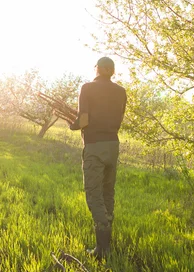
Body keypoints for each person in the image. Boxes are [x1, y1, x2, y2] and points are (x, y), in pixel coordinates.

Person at [68, 56, 127, 260]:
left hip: (94, 146)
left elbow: (83, 119)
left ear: (98, 69)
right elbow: (119, 117)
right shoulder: (121, 91)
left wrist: (73, 125)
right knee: (107, 191)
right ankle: (106, 240)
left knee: (94, 195)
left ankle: (102, 249)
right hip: (113, 145)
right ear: (111, 71)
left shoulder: (87, 88)